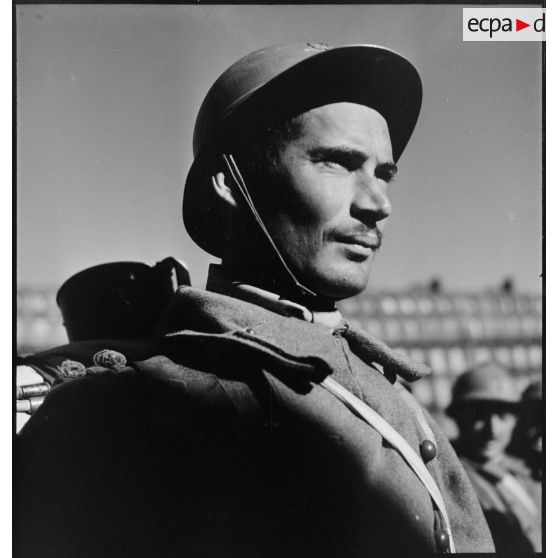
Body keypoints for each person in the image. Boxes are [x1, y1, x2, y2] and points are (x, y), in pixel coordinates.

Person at [16, 43, 494, 557]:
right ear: (230, 182)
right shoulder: (128, 410)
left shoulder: (384, 393)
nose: (379, 203)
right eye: (336, 162)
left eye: (383, 173)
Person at [447, 362, 542, 555]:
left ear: (516, 420)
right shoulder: (451, 478)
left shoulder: (525, 471)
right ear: (458, 417)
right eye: (479, 416)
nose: (492, 431)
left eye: (502, 416)